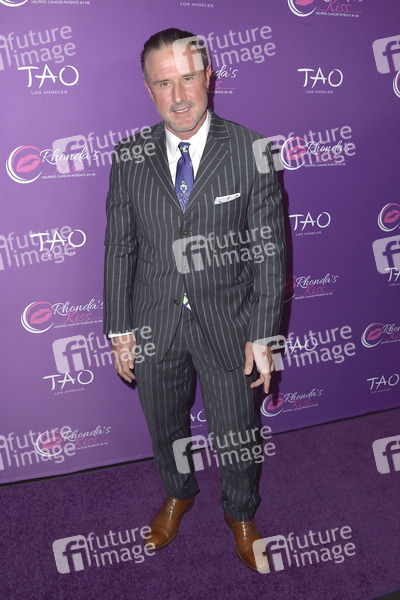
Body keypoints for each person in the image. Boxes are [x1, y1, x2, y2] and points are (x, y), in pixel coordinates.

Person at [103, 27, 286, 572]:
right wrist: (120, 329)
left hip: (229, 323)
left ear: (209, 77)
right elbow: (120, 246)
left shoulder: (253, 152)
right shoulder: (129, 155)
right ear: (148, 89)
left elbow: (269, 252)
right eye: (164, 83)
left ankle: (241, 512)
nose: (179, 96)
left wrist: (263, 333)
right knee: (165, 426)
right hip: (154, 321)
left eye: (188, 79)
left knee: (237, 432)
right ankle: (178, 492)